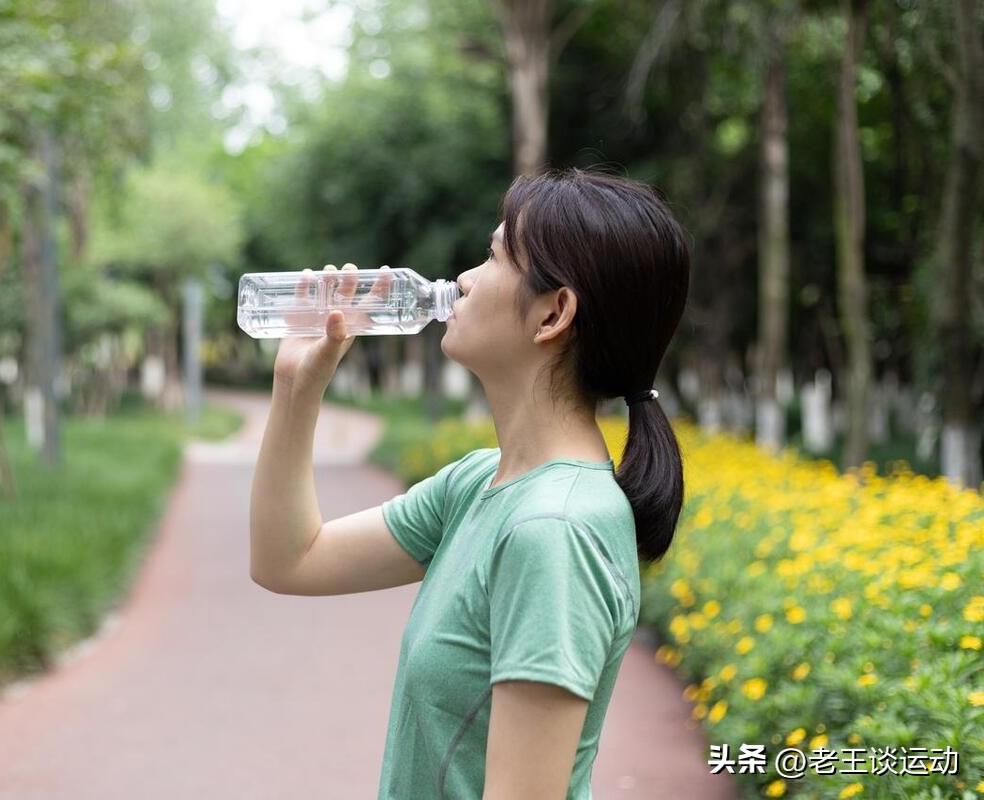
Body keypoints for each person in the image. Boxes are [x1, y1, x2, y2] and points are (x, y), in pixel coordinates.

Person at [249, 166, 690, 799]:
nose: (463, 279)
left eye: (493, 257)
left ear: (552, 313)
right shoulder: (482, 481)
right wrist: (296, 387)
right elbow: (289, 560)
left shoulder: (555, 532)